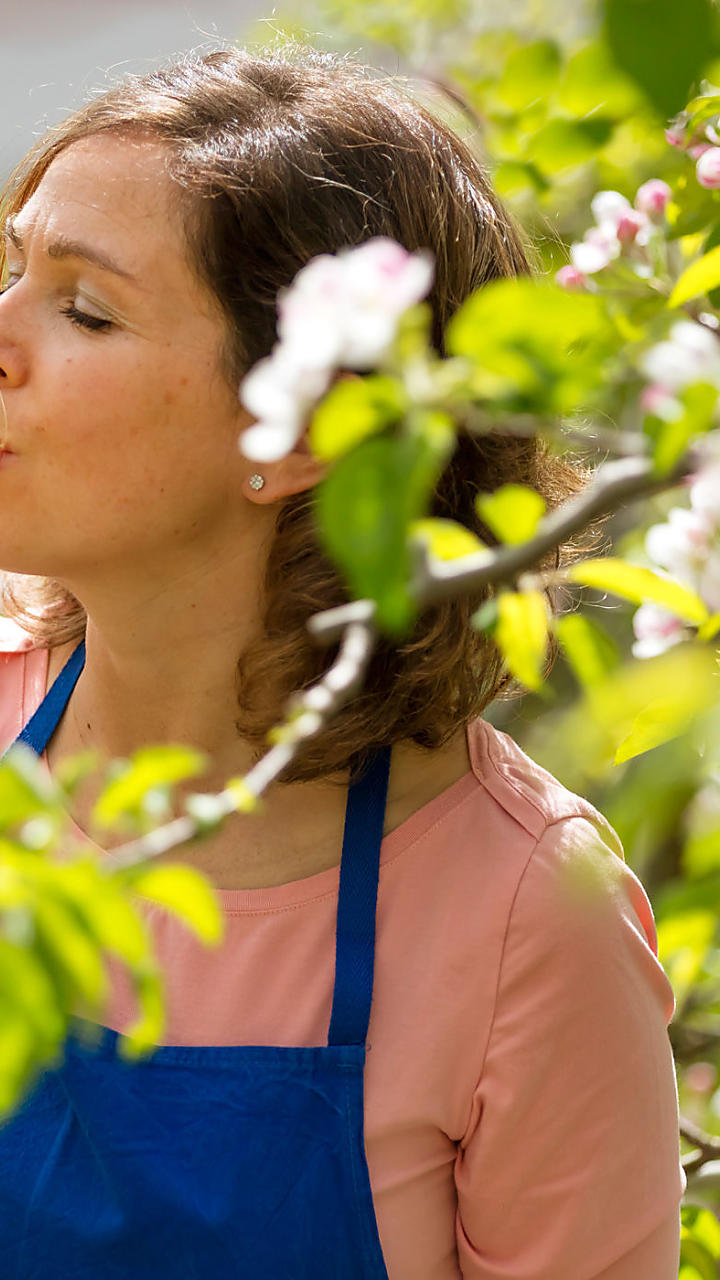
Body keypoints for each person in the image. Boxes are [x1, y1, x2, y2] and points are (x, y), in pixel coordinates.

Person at [0, 42, 684, 1279]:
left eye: (84, 308)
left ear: (307, 426)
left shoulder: (532, 918)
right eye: (9, 268)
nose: (1, 336)